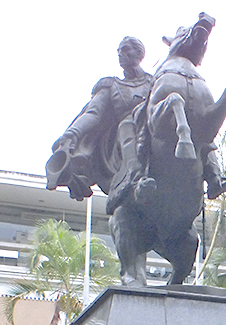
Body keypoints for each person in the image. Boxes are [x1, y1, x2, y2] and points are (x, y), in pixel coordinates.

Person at [48, 37, 154, 202]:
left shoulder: (155, 81)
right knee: (126, 125)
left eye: (126, 49)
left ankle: (209, 168)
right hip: (128, 132)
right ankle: (136, 176)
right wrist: (71, 134)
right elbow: (93, 113)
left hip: (154, 125)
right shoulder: (111, 85)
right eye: (119, 51)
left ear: (140, 53)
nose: (121, 54)